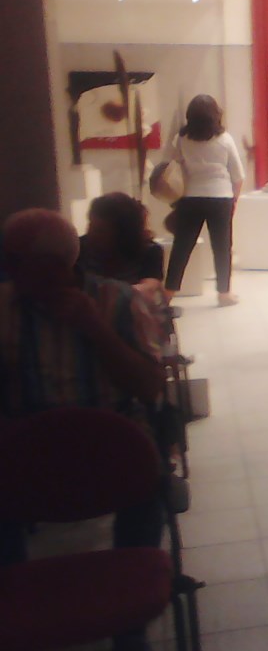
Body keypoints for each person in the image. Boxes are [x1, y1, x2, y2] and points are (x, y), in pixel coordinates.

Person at [0, 208, 165, 650]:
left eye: (14, 259)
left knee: (147, 475)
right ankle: (16, 607)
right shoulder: (4, 308)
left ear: (56, 264)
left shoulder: (118, 302)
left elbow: (149, 388)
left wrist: (96, 330)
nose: (6, 268)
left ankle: (129, 625)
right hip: (29, 449)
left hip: (109, 445)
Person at [163, 94, 244, 307]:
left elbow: (172, 164)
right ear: (215, 115)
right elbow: (238, 176)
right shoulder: (225, 139)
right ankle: (224, 294)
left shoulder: (181, 139)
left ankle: (168, 293)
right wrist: (234, 200)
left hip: (190, 197)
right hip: (221, 197)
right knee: (222, 247)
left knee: (182, 247)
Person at [78, 192, 164, 291]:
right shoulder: (79, 248)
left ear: (122, 233)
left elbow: (150, 288)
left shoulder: (149, 251)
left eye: (100, 231)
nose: (91, 234)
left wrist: (115, 293)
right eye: (90, 226)